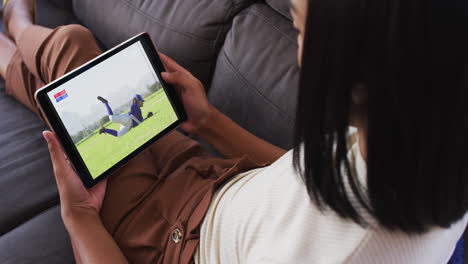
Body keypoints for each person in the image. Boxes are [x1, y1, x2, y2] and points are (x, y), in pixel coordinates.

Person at [0, 0, 467, 263]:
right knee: (81, 75)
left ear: (350, 65)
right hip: (212, 180)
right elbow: (304, 179)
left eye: (299, 30)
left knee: (70, 50)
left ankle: (14, 27)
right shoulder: (423, 143)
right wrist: (209, 122)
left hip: (168, 238)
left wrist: (80, 217)